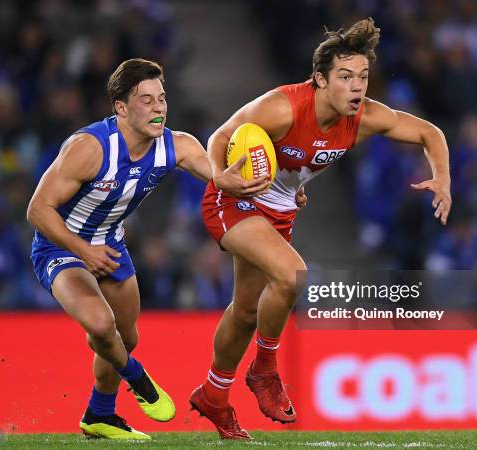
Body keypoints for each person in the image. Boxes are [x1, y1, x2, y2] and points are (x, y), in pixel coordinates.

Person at [191, 18, 452, 439]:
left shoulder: (366, 118)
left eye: (363, 77)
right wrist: (221, 176)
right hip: (235, 199)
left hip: (279, 210)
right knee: (292, 275)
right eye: (345, 77)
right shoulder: (282, 107)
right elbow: (222, 135)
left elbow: (428, 132)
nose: (357, 87)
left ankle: (213, 395)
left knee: (244, 312)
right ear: (319, 80)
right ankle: (265, 369)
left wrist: (443, 177)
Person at [27, 58, 212, 440]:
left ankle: (100, 415)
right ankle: (140, 380)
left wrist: (276, 187)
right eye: (147, 100)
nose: (159, 107)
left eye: (162, 98)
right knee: (100, 325)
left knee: (124, 338)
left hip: (110, 246)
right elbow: (37, 210)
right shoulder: (89, 147)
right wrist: (83, 249)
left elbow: (223, 177)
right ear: (121, 108)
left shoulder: (176, 146)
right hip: (61, 247)